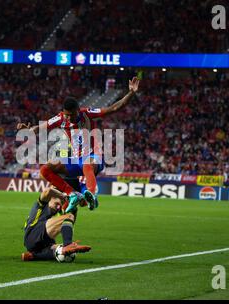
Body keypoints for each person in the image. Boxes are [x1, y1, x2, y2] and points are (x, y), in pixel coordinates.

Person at [17, 77, 140, 213]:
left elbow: (114, 108)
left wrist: (131, 93)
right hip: (76, 160)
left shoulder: (86, 113)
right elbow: (40, 127)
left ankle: (92, 195)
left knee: (87, 163)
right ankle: (72, 194)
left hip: (94, 157)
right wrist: (28, 130)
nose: (68, 118)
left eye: (71, 115)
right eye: (66, 115)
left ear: (77, 110)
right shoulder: (61, 118)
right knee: (45, 169)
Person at [22, 187, 91, 261]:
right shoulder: (42, 204)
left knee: (61, 252)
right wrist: (62, 196)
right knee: (69, 217)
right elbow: (48, 191)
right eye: (57, 203)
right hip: (33, 234)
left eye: (60, 205)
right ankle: (68, 245)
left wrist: (74, 208)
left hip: (42, 243)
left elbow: (68, 225)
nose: (58, 207)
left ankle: (33, 256)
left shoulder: (55, 211)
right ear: (51, 198)